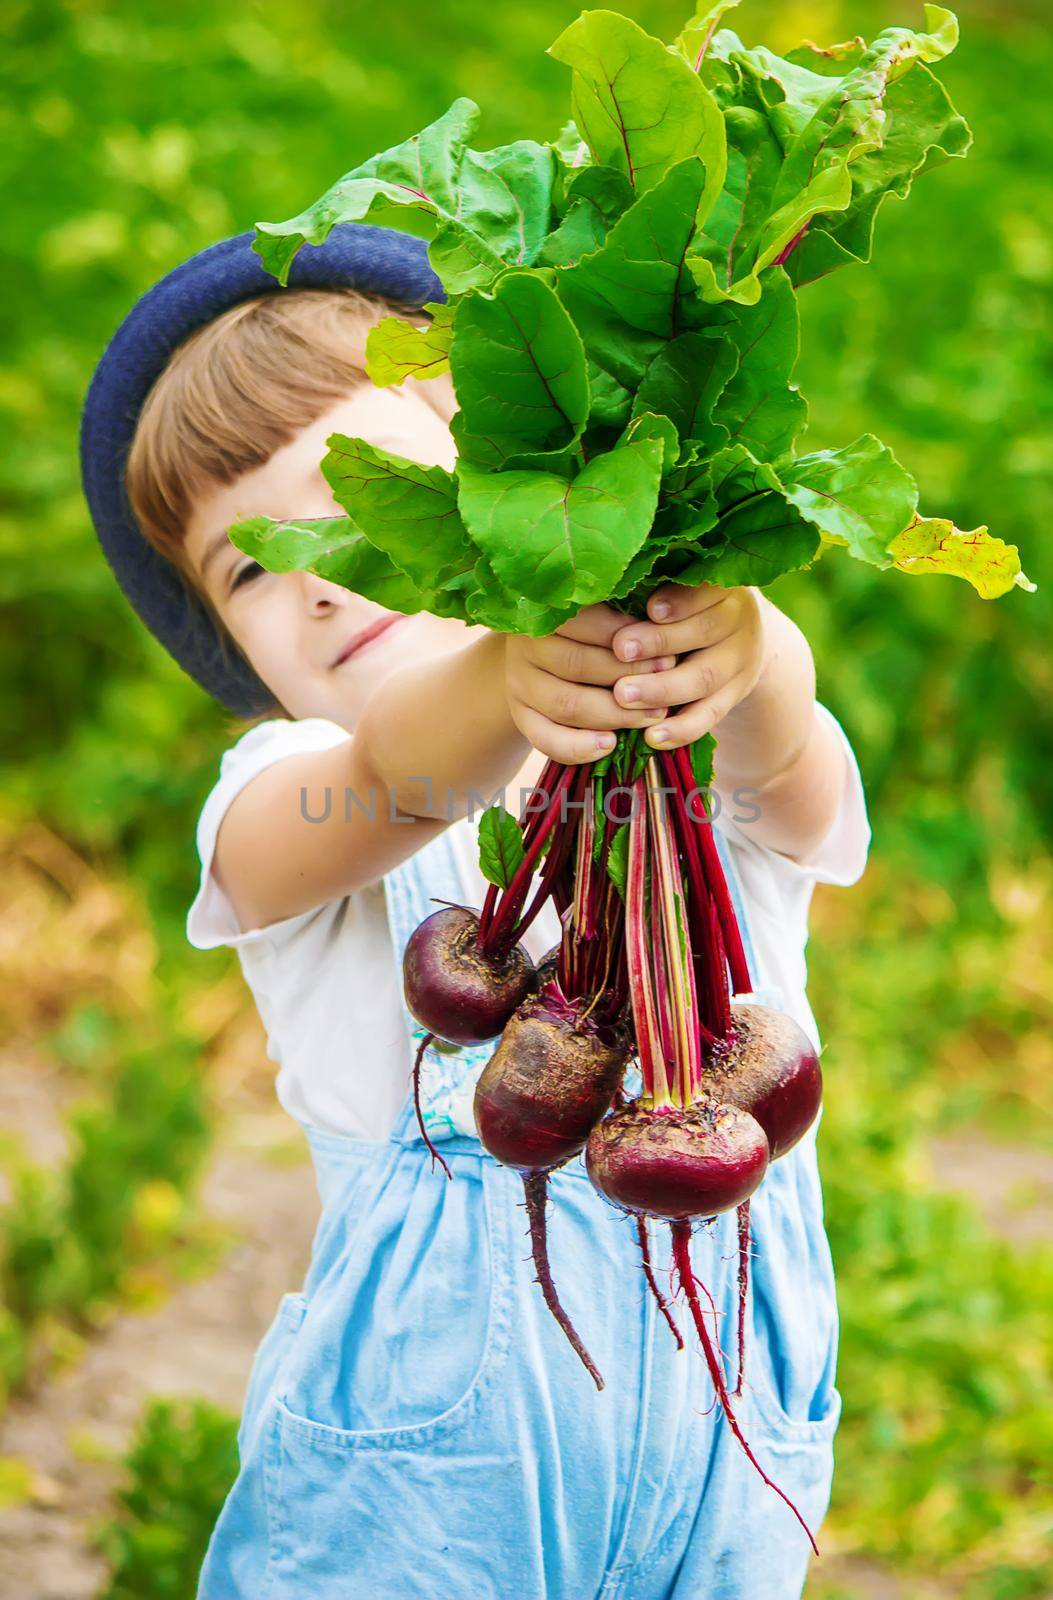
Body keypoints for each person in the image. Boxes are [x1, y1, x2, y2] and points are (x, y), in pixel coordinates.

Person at [81, 224, 870, 1600]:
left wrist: (742, 642)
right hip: (419, 1502)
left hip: (728, 1464)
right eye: (251, 566)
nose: (318, 571)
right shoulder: (288, 797)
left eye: (360, 493)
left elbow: (789, 772)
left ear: (513, 499)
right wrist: (510, 668)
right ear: (232, 650)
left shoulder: (693, 733)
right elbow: (398, 772)